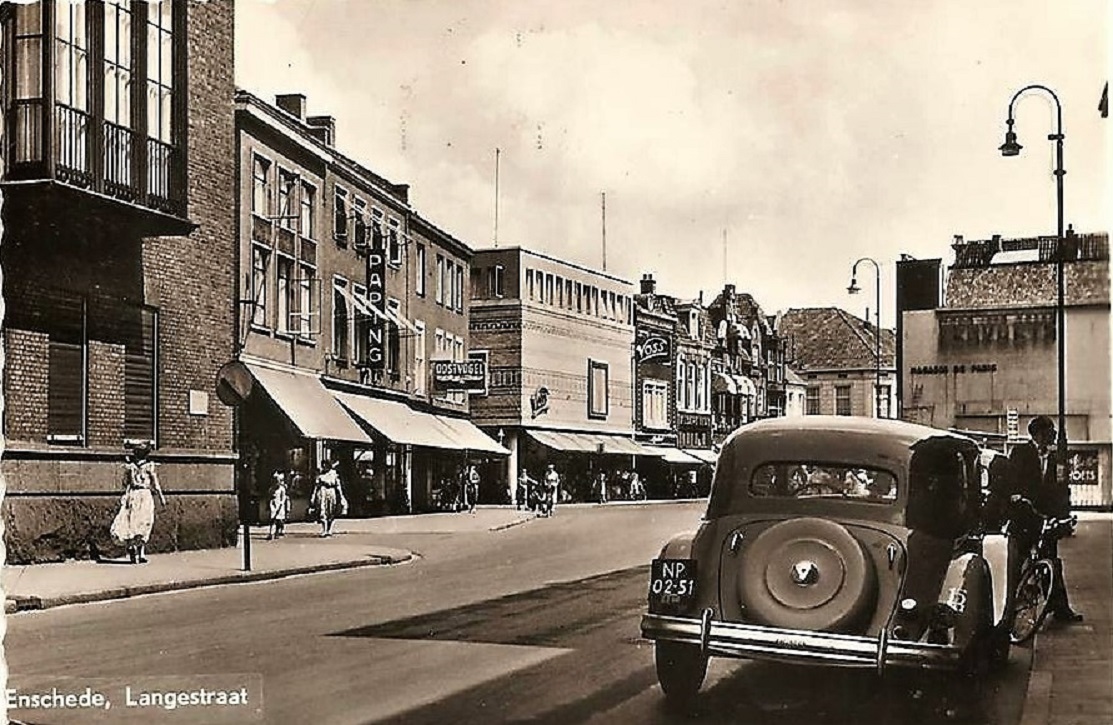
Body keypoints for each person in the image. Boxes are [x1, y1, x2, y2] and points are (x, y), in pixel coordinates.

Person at [1007, 415, 1082, 623]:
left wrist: (1063, 516)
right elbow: (1012, 480)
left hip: (1045, 518)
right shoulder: (1021, 452)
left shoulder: (1056, 458)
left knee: (1052, 562)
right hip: (1024, 516)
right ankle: (1007, 607)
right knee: (1017, 562)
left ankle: (1060, 608)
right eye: (1050, 431)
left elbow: (1060, 489)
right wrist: (1016, 497)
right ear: (1039, 434)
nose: (1054, 435)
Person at [110, 442, 165, 564]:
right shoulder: (149, 466)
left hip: (134, 495)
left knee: (132, 522)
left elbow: (125, 483)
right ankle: (140, 552)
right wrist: (161, 497)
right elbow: (155, 483)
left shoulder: (131, 467)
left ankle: (132, 547)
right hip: (144, 495)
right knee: (143, 523)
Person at [311, 460, 347, 537]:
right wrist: (313, 496)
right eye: (323, 465)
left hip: (331, 491)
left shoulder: (334, 474)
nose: (324, 467)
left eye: (326, 465)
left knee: (331, 511)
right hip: (322, 491)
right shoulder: (320, 475)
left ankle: (329, 529)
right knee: (322, 510)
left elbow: (338, 486)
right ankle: (324, 529)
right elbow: (316, 486)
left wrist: (342, 496)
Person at [267, 471, 291, 540]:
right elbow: (269, 497)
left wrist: (281, 504)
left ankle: (277, 532)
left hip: (280, 505)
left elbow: (283, 498)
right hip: (273, 504)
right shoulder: (271, 489)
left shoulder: (282, 489)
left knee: (279, 520)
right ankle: (271, 533)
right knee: (272, 519)